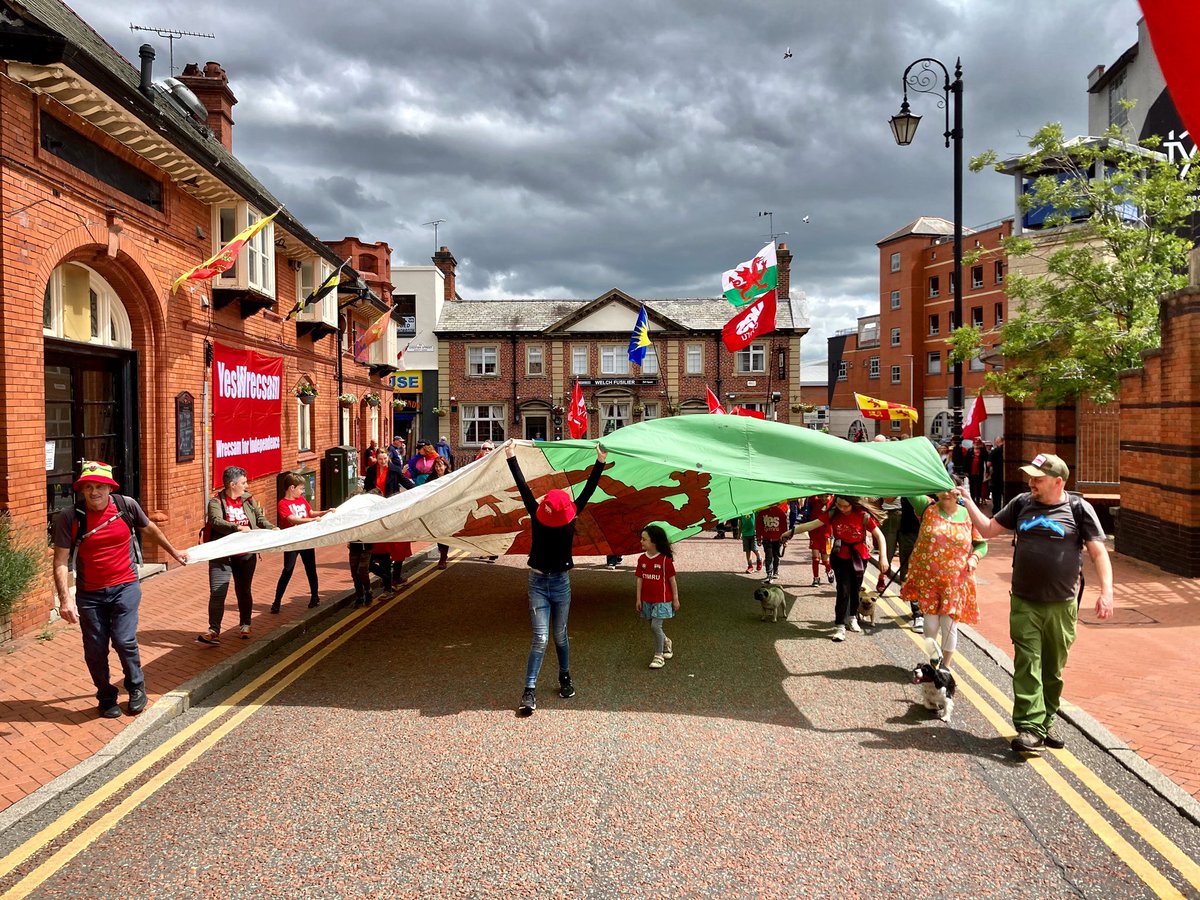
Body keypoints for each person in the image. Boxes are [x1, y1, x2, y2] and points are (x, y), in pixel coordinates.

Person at [957, 453, 1114, 754]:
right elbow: (989, 530)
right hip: (1024, 602)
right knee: (1028, 662)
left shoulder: (1078, 509)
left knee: (1052, 670)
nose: (1031, 483)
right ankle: (1029, 727)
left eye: (1037, 479)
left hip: (1061, 605)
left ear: (1058, 481)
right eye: (1029, 477)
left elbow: (1098, 553)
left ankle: (1045, 722)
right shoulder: (1021, 504)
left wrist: (1106, 592)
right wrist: (967, 499)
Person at [51, 461, 189, 718]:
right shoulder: (69, 517)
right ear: (82, 490)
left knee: (124, 639)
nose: (94, 493)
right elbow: (60, 560)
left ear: (109, 487)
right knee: (95, 649)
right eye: (89, 487)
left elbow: (150, 529)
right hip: (90, 594)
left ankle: (136, 687)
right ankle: (105, 696)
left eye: (100, 487)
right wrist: (65, 599)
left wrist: (173, 551)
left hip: (125, 585)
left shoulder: (127, 506)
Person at [506, 439, 607, 716]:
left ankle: (565, 677)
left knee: (560, 636)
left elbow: (588, 489)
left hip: (561, 583)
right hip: (537, 583)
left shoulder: (570, 516)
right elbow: (523, 487)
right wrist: (510, 456)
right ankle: (529, 691)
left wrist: (599, 462)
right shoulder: (540, 516)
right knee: (540, 638)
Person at [899, 478, 987, 671]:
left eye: (950, 488)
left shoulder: (968, 514)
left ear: (958, 491)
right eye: (941, 488)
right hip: (930, 579)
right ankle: (933, 658)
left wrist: (974, 558)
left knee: (949, 625)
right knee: (930, 625)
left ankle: (945, 667)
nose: (946, 492)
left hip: (955, 581)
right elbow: (906, 484)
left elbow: (982, 544)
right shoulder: (927, 507)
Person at [198, 466, 276, 645]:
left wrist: (272, 528)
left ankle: (245, 625)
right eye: (243, 482)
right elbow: (216, 521)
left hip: (245, 554)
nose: (246, 485)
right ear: (232, 485)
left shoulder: (248, 499)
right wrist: (237, 527)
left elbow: (259, 518)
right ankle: (214, 631)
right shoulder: (216, 502)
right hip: (222, 555)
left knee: (243, 590)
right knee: (218, 592)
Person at [801, 496, 886, 642]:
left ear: (853, 504)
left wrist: (883, 557)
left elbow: (880, 536)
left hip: (859, 556)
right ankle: (840, 626)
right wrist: (790, 532)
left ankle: (852, 617)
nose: (842, 508)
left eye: (845, 506)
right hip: (840, 556)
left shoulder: (863, 516)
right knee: (843, 590)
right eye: (839, 505)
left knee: (855, 589)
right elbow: (811, 525)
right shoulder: (833, 514)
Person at [272, 474, 332, 613]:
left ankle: (315, 597)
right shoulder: (283, 503)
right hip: (292, 541)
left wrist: (325, 512)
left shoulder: (301, 500)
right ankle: (277, 601)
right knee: (288, 570)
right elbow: (292, 519)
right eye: (300, 488)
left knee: (310, 568)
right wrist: (312, 520)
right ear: (291, 488)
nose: (302, 491)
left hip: (306, 539)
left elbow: (311, 512)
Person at [635, 525, 679, 669]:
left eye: (644, 539)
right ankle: (666, 642)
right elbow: (639, 579)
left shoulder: (665, 560)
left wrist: (675, 599)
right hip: (647, 599)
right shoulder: (642, 559)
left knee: (655, 625)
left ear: (654, 542)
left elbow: (672, 580)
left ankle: (658, 655)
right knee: (652, 626)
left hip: (662, 599)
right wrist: (638, 598)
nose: (641, 542)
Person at [800, 494, 835, 587]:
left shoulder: (833, 504)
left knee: (825, 560)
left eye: (826, 496)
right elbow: (810, 491)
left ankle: (829, 570)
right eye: (821, 496)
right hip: (814, 534)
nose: (823, 498)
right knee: (815, 557)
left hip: (826, 535)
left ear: (831, 496)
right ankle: (816, 578)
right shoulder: (815, 501)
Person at [425, 455, 452, 570]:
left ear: (445, 466)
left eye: (440, 466)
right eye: (436, 466)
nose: (438, 468)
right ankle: (442, 551)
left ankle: (443, 557)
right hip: (435, 509)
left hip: (447, 509)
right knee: (437, 533)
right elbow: (425, 491)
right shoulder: (431, 478)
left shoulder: (451, 477)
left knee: (444, 533)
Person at [756, 501, 789, 585]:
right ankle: (769, 573)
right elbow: (759, 526)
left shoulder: (780, 512)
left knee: (776, 556)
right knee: (769, 556)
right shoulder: (762, 513)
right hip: (767, 539)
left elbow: (784, 527)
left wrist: (785, 539)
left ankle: (775, 571)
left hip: (778, 539)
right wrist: (759, 538)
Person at [965, 440, 988, 505]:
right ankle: (972, 499)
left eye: (978, 443)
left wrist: (987, 471)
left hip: (979, 470)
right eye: (975, 443)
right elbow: (966, 461)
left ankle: (978, 499)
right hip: (971, 470)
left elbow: (986, 459)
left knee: (979, 485)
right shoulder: (970, 450)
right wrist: (966, 471)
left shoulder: (983, 451)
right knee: (972, 485)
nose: (976, 445)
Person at [988, 436, 1006, 509]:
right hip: (1006, 477)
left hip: (996, 477)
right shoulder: (1007, 450)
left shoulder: (994, 451)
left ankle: (996, 513)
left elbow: (988, 464)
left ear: (996, 442)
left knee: (996, 498)